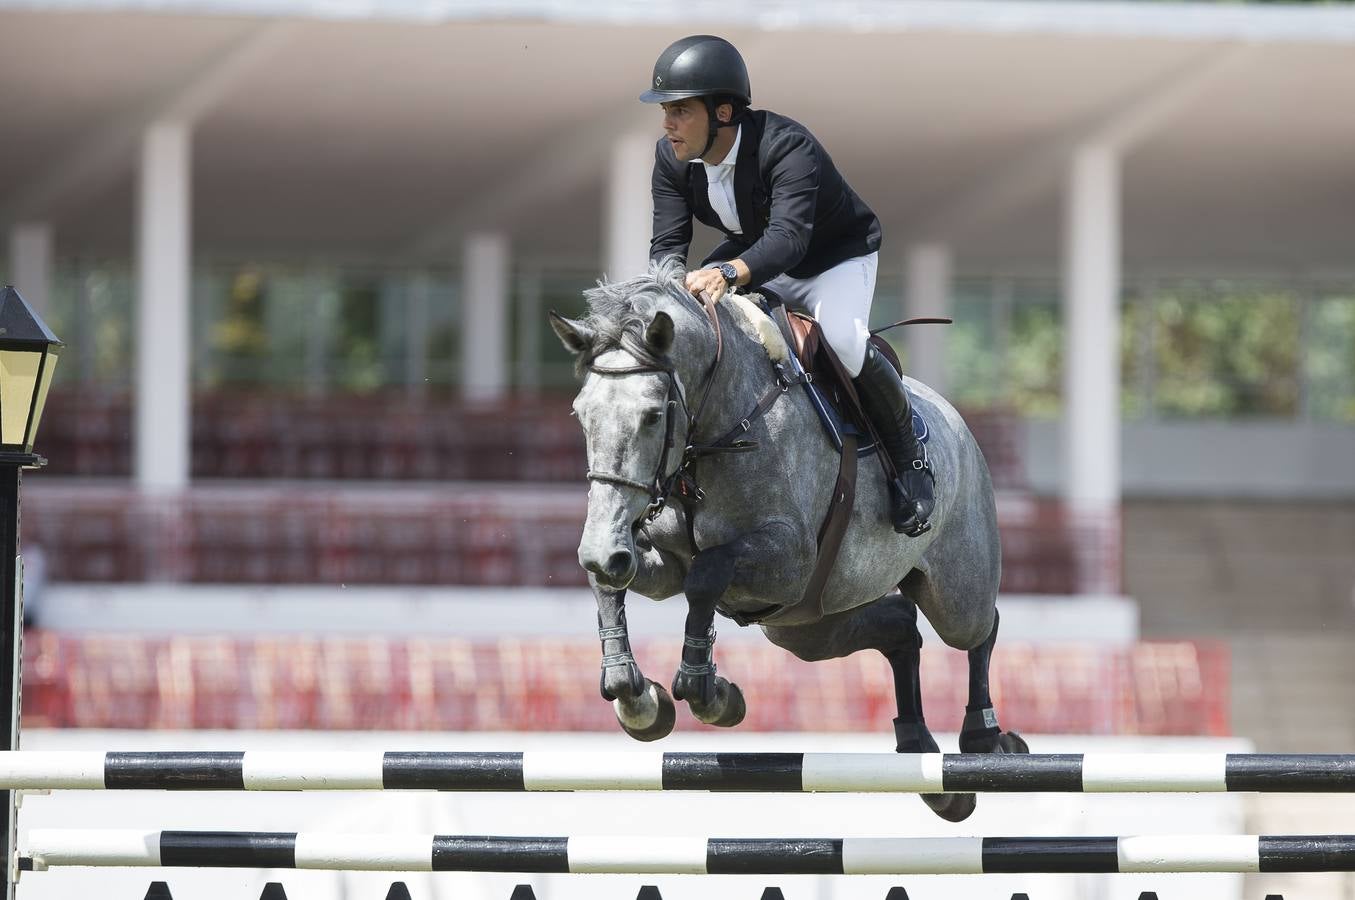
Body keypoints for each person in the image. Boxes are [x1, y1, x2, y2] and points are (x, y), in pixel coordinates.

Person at [641, 34, 935, 536]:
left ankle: (910, 460)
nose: (668, 123)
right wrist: (670, 295)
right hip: (759, 253)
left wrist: (728, 272)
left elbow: (790, 239)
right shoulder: (671, 158)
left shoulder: (787, 146)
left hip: (833, 258)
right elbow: (668, 243)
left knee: (841, 338)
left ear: (725, 113)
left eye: (681, 110)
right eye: (666, 109)